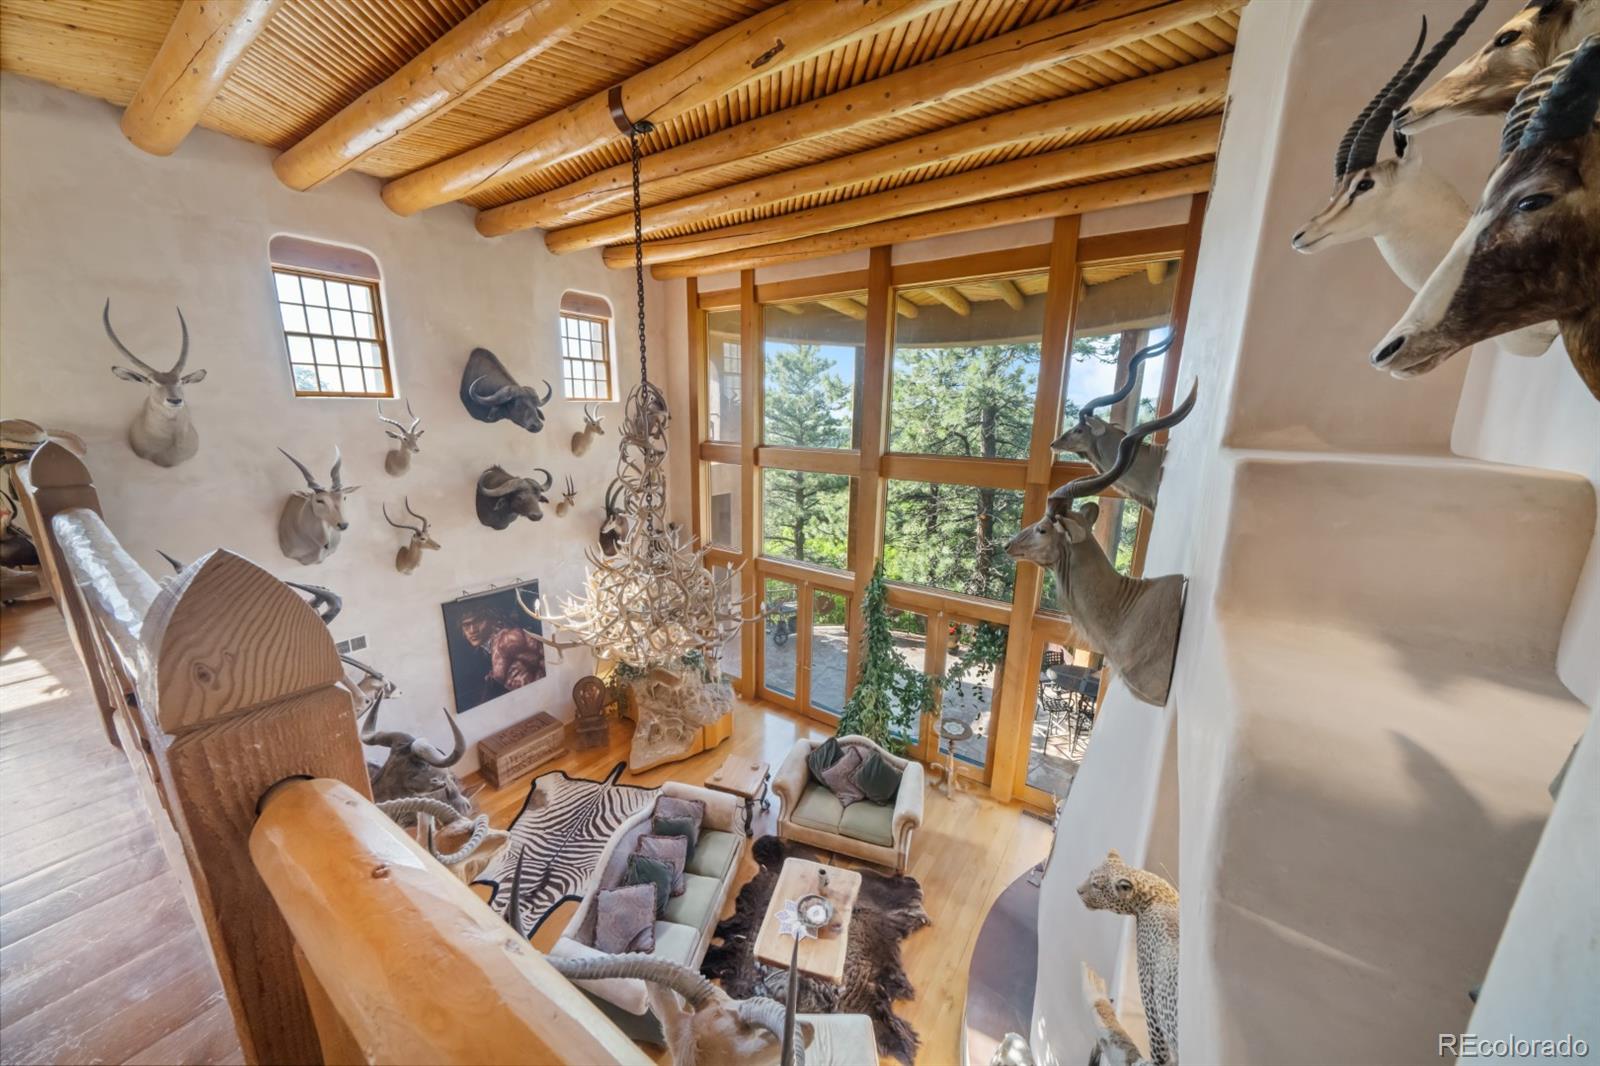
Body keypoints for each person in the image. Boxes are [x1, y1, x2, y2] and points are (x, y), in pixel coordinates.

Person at [456, 599, 545, 707]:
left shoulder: (508, 638)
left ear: (491, 620)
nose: (472, 630)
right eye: (466, 625)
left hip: (537, 698)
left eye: (478, 621)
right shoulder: (486, 650)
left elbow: (547, 656)